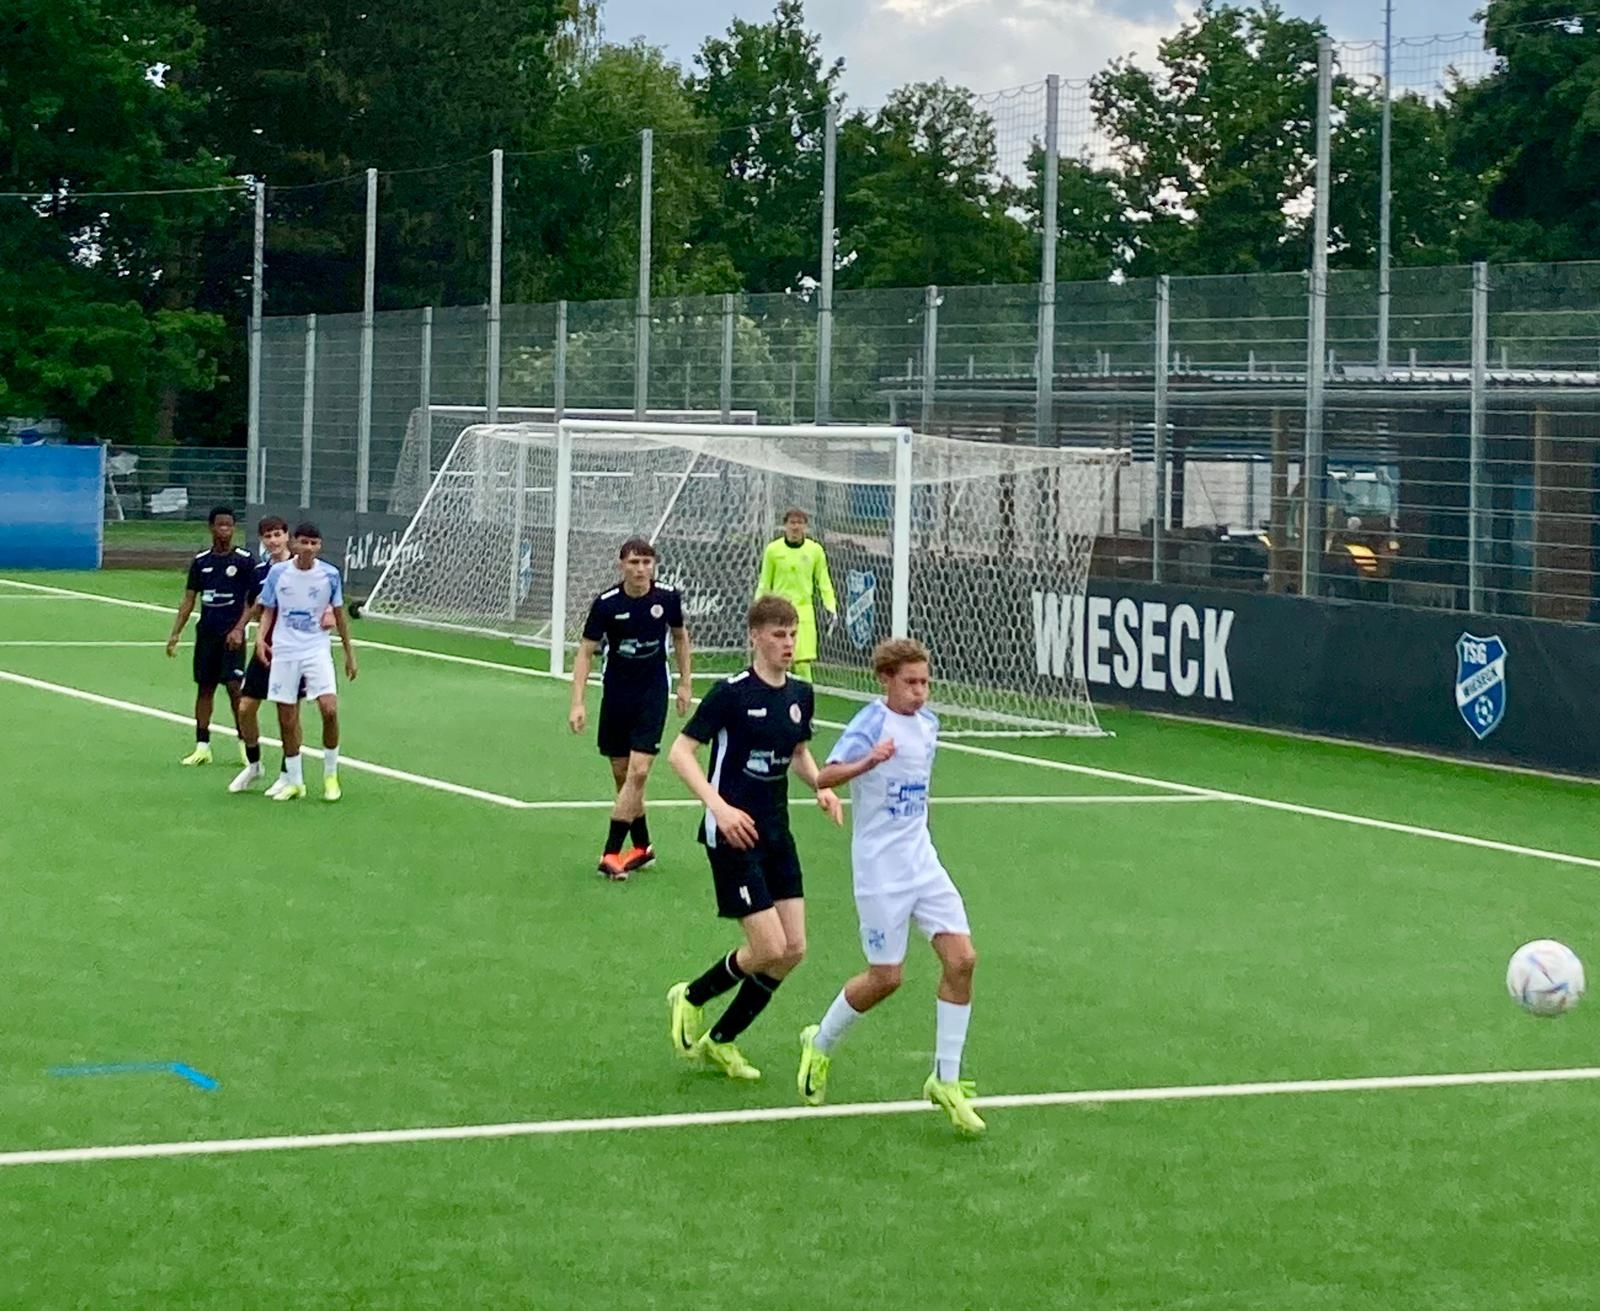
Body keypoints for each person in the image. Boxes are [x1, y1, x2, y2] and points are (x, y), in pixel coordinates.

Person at [796, 638, 984, 1135]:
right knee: (886, 978)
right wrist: (868, 763)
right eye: (910, 682)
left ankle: (946, 1079)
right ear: (885, 679)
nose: (920, 692)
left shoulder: (929, 726)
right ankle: (820, 1042)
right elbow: (824, 778)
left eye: (925, 683)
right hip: (880, 872)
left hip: (923, 863)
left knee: (962, 960)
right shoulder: (870, 723)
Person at [665, 595, 843, 1081]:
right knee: (767, 948)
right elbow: (680, 754)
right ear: (755, 637)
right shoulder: (731, 693)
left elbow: (799, 753)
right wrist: (719, 809)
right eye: (779, 635)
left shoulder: (801, 694)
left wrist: (822, 787)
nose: (788, 643)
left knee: (794, 949)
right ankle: (691, 996)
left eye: (793, 634)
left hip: (777, 833)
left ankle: (722, 1040)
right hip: (733, 835)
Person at [568, 538, 693, 880]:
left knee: (639, 772)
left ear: (654, 566)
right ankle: (642, 847)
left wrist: (685, 683)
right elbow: (585, 652)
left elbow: (680, 638)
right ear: (621, 564)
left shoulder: (667, 597)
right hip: (616, 695)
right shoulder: (606, 604)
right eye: (634, 562)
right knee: (623, 776)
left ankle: (610, 854)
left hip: (653, 692)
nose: (641, 569)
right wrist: (577, 702)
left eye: (646, 562)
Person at [256, 523, 358, 802]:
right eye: (304, 542)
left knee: (329, 709)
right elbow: (268, 609)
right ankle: (295, 780)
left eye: (314, 543)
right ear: (294, 544)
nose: (309, 548)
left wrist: (349, 654)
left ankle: (330, 775)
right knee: (287, 717)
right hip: (285, 651)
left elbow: (339, 615)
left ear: (319, 546)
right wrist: (260, 639)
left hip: (316, 650)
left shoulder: (329, 575)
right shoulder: (278, 573)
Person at [166, 506, 254, 765]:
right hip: (207, 634)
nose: (224, 530)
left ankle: (245, 745)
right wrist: (175, 633)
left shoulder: (244, 560)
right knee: (205, 688)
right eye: (220, 525)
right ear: (211, 527)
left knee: (235, 688)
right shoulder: (201, 561)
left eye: (229, 525)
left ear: (234, 528)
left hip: (232, 636)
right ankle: (202, 747)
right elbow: (189, 599)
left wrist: (239, 629)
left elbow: (253, 600)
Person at [225, 515, 302, 795]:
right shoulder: (260, 572)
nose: (273, 541)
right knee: (245, 708)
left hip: (293, 649)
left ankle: (288, 773)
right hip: (265, 647)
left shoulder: (301, 569)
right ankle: (254, 764)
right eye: (268, 536)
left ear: (287, 536)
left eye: (277, 535)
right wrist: (240, 627)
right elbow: (254, 606)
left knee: (288, 715)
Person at [755, 508, 837, 681]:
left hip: (804, 612)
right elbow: (765, 582)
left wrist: (830, 606)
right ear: (785, 525)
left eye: (800, 523)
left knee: (802, 664)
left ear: (805, 526)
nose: (795, 527)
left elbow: (824, 581)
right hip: (778, 612)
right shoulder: (773, 550)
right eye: (792, 522)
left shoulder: (815, 550)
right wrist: (758, 608)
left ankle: (806, 696)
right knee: (780, 661)